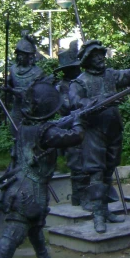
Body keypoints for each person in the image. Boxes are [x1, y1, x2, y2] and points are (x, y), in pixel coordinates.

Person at [0, 79, 85, 258]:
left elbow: (55, 126)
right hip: (28, 190)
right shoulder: (46, 132)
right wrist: (78, 121)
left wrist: (70, 119)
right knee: (13, 234)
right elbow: (75, 137)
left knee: (35, 225)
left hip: (20, 185)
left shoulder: (27, 128)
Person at [68, 40, 130, 233]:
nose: (100, 58)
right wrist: (96, 102)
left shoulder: (111, 75)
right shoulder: (80, 82)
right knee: (97, 172)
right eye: (96, 55)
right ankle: (97, 215)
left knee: (108, 170)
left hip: (114, 129)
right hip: (94, 131)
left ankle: (105, 210)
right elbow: (75, 104)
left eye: (101, 54)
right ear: (87, 60)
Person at [55, 41, 87, 208]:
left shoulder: (84, 82)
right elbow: (65, 107)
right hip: (71, 127)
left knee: (90, 162)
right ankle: (79, 196)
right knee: (76, 163)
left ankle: (89, 194)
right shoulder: (60, 88)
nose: (78, 70)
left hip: (87, 126)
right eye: (74, 68)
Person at [6, 31, 44, 133]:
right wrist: (7, 85)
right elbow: (9, 86)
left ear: (30, 56)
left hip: (32, 110)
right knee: (15, 133)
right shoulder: (13, 69)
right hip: (17, 108)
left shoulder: (37, 72)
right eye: (18, 55)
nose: (20, 57)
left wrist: (12, 90)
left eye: (23, 55)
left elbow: (32, 93)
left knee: (31, 134)